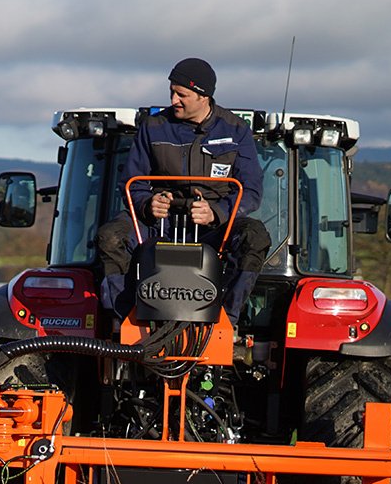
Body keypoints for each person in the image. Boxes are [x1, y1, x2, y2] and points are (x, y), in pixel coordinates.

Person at [98, 57, 270, 321]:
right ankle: (126, 319)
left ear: (204, 96)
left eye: (182, 94)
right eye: (172, 93)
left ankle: (226, 318)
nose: (174, 100)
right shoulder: (153, 128)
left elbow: (252, 190)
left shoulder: (236, 129)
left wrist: (217, 213)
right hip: (158, 226)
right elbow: (132, 182)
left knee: (254, 236)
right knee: (111, 236)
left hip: (214, 231)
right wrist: (147, 203)